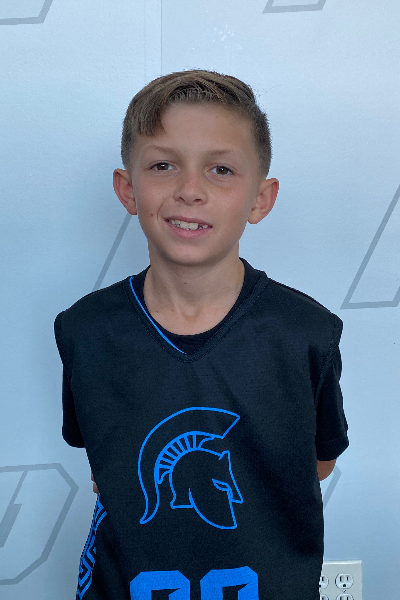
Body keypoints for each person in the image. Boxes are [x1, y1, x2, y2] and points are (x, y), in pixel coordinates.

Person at [54, 70, 349, 600]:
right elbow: (105, 467)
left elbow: (317, 463)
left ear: (260, 198)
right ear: (128, 189)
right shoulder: (85, 330)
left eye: (221, 169)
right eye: (163, 165)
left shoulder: (307, 333)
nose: (190, 190)